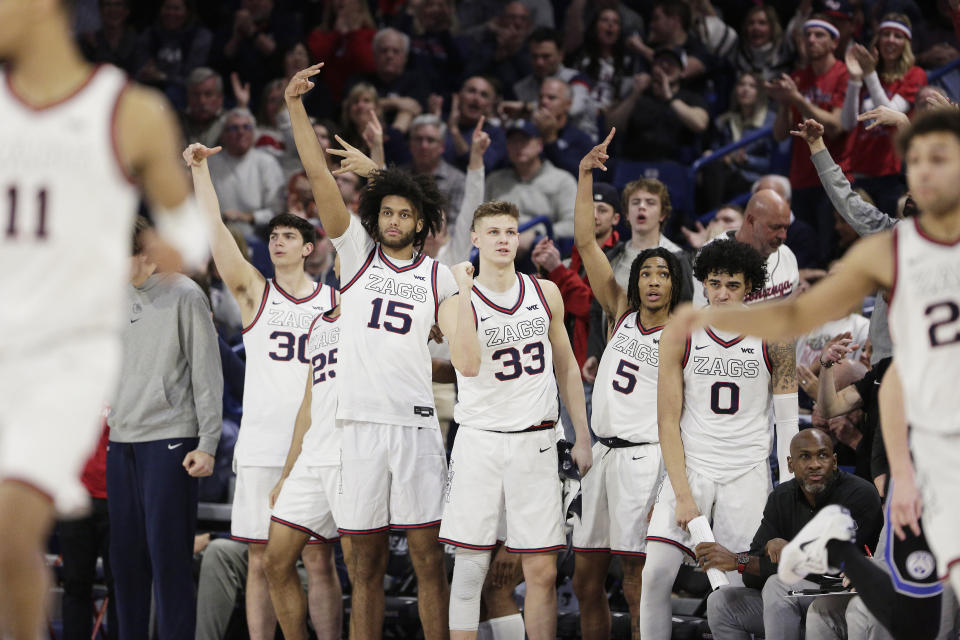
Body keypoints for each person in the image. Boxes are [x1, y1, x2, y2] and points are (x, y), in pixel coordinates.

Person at [675, 106, 960, 602]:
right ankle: (849, 559)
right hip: (918, 406)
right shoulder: (884, 249)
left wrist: (907, 121)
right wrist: (709, 317)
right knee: (919, 595)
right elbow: (792, 317)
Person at [0, 1, 209, 637]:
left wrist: (174, 249)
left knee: (12, 526)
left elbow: (189, 234)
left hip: (67, 352)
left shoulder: (130, 110)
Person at [284, 63, 454, 640]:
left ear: (422, 223)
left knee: (430, 564)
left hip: (413, 425)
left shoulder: (441, 276)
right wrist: (295, 109)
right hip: (356, 426)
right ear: (375, 218)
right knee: (364, 568)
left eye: (406, 214)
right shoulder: (354, 257)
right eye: (387, 211)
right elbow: (319, 176)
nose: (395, 220)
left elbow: (463, 346)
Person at [185, 143, 339, 640]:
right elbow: (215, 233)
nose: (277, 243)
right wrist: (201, 171)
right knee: (258, 559)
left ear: (308, 247)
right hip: (259, 447)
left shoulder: (336, 303)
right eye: (273, 236)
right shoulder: (256, 294)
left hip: (316, 447)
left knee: (317, 559)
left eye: (288, 236)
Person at [436, 199, 593, 640]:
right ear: (475, 239)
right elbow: (466, 364)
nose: (504, 240)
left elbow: (566, 367)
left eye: (510, 231)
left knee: (541, 571)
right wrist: (464, 291)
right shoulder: (453, 299)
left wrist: (582, 435)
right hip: (480, 443)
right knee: (469, 570)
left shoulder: (545, 293)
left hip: (537, 442)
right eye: (494, 232)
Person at [639, 239, 799, 640]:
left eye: (732, 284)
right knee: (655, 573)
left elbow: (788, 426)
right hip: (690, 466)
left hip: (746, 472)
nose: (723, 293)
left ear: (750, 287)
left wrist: (787, 498)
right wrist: (682, 495)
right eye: (714, 284)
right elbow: (666, 421)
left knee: (734, 590)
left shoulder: (775, 334)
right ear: (703, 284)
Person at [568, 131, 683, 639]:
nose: (653, 280)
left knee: (637, 577)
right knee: (585, 577)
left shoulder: (684, 336)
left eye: (663, 274)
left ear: (675, 284)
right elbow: (586, 242)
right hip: (602, 459)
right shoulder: (619, 312)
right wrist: (585, 174)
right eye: (646, 273)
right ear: (634, 281)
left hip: (645, 458)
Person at [107, 216, 223, 639]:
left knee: (168, 562)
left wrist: (208, 441)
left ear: (142, 256)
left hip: (170, 439)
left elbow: (207, 374)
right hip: (122, 441)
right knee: (125, 564)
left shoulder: (184, 294)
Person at [702, 428, 882, 640]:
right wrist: (741, 561)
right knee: (721, 602)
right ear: (790, 464)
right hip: (795, 602)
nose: (815, 464)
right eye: (805, 456)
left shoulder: (860, 494)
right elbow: (752, 577)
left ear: (834, 462)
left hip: (846, 601)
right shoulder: (781, 497)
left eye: (822, 455)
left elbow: (830, 567)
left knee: (778, 584)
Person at [263, 302, 344, 640]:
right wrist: (287, 472)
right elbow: (308, 402)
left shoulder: (379, 308)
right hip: (314, 453)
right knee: (275, 561)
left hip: (358, 451)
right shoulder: (321, 323)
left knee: (363, 569)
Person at [768, 15, 850, 260]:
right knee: (804, 251)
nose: (811, 40)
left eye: (819, 35)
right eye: (808, 35)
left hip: (834, 176)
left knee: (828, 251)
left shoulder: (843, 74)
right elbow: (779, 134)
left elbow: (835, 126)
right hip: (801, 177)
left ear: (834, 42)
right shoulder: (798, 78)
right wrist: (784, 104)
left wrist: (797, 99)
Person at [841, 14, 927, 217]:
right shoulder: (869, 75)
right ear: (877, 39)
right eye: (886, 34)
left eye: (898, 36)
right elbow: (848, 123)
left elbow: (892, 114)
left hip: (891, 172)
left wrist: (869, 75)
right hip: (860, 169)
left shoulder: (915, 74)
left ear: (906, 43)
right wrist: (855, 79)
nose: (890, 40)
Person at [692, 188, 798, 307]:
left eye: (786, 228)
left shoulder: (787, 255)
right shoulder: (711, 254)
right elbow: (702, 316)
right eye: (775, 227)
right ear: (751, 220)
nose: (783, 235)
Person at [206, 107, 286, 238]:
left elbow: (278, 211)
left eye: (246, 127)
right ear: (223, 135)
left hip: (260, 237)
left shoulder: (267, 162)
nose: (241, 132)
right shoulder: (210, 163)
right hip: (217, 236)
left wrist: (248, 217)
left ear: (253, 132)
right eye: (234, 128)